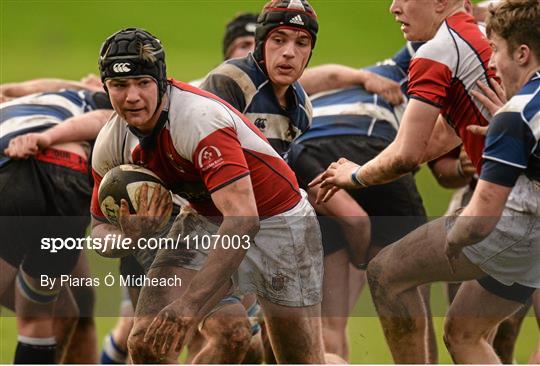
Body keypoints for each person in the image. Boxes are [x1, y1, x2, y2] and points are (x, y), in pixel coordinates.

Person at [312, 0, 539, 363]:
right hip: (530, 218)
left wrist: (353, 175)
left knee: (386, 273)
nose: (393, 7)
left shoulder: (438, 49)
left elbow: (407, 154)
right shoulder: (479, 40)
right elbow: (440, 139)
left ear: (441, 3)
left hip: (507, 214)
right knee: (463, 334)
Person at [91, 27, 325, 363]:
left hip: (281, 222)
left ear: (162, 81)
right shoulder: (111, 144)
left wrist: (187, 306)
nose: (132, 97)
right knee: (145, 342)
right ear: (105, 88)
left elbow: (244, 221)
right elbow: (99, 231)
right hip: (205, 216)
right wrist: (128, 237)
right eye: (119, 85)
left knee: (297, 360)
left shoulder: (198, 120)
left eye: (142, 83)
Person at [0, 88, 112, 363]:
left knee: (62, 312)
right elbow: (104, 117)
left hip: (17, 171)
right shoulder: (87, 102)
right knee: (49, 315)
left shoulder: (32, 102)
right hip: (71, 177)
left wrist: (45, 138)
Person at [200, 0, 318, 158]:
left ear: (310, 52)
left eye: (301, 43)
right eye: (278, 40)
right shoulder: (229, 82)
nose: (289, 52)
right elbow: (210, 159)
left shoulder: (304, 108)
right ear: (261, 44)